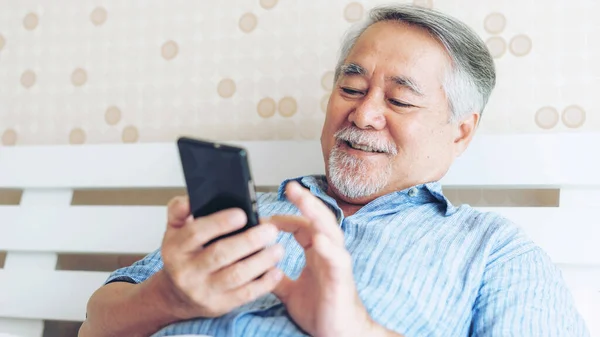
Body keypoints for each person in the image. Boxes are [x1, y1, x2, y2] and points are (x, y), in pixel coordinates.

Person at [79, 4, 590, 337]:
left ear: (460, 131)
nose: (363, 114)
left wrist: (352, 327)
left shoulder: (494, 250)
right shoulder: (253, 214)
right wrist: (168, 296)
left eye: (399, 99)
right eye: (351, 88)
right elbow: (96, 324)